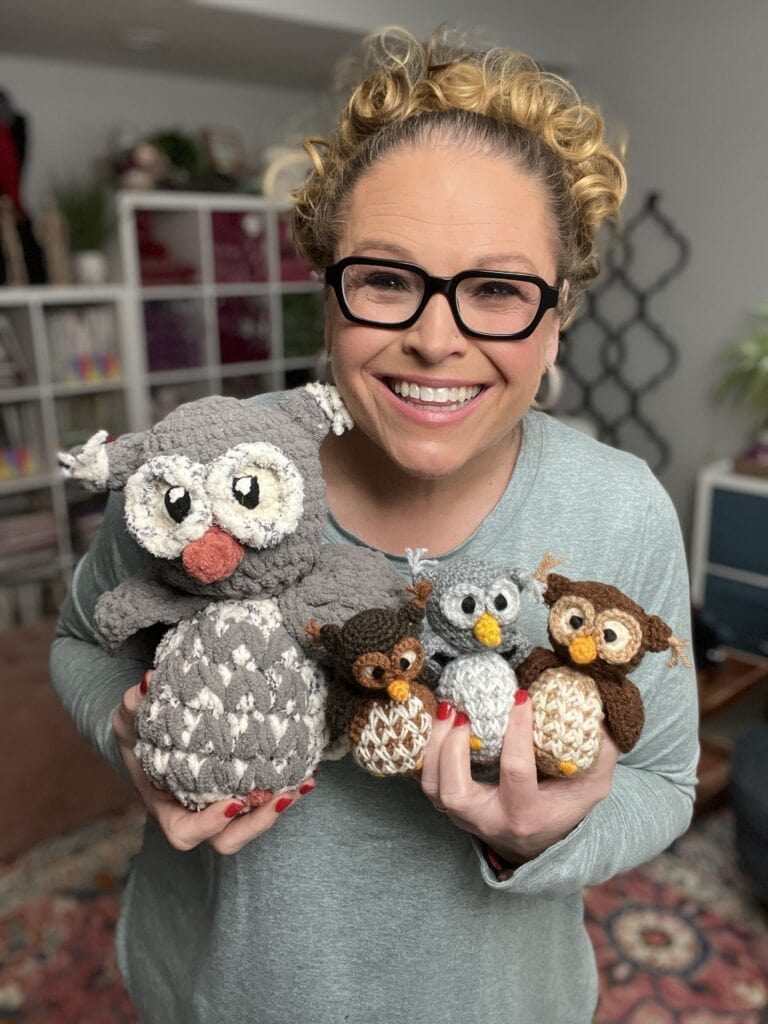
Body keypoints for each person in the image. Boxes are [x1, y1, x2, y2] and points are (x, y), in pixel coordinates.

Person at [50, 26, 699, 1024]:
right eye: (389, 279)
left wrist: (538, 837)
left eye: (496, 290)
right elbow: (77, 640)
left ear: (559, 310)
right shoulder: (212, 462)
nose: (437, 341)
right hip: (218, 990)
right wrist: (129, 734)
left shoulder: (618, 510)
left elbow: (664, 777)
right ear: (328, 282)